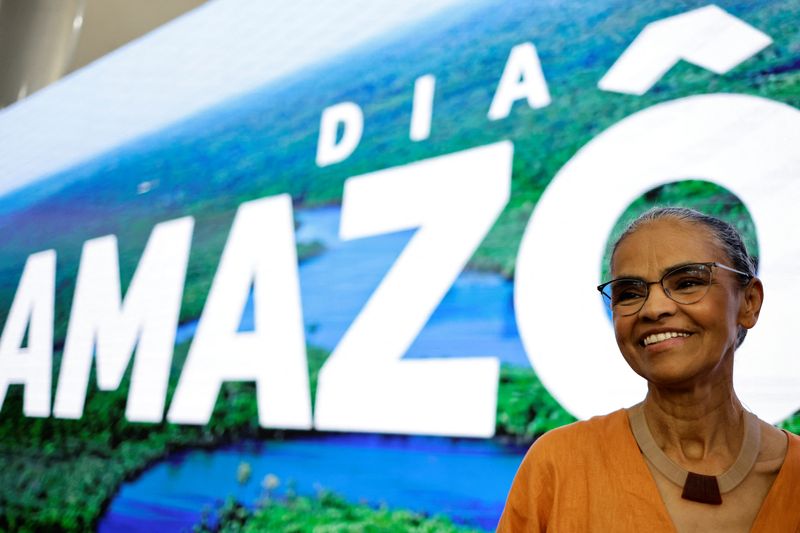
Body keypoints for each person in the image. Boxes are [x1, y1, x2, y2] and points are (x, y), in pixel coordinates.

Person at [497, 207, 800, 532]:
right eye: (629, 293)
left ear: (749, 302)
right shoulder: (560, 465)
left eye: (687, 282)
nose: (654, 309)